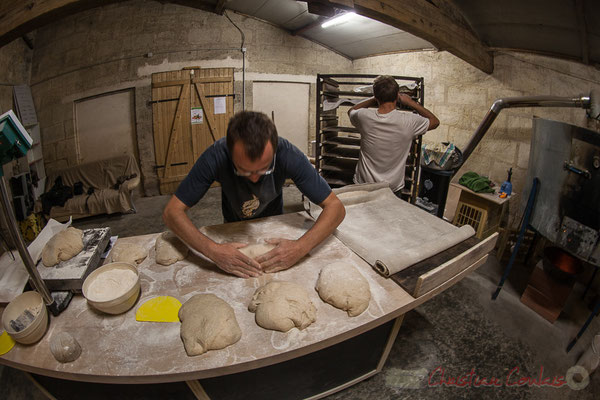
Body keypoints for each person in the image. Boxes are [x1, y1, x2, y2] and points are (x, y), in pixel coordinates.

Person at [163, 111, 345, 278]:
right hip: (233, 226)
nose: (255, 179)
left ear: (274, 150)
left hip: (273, 224)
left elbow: (335, 207)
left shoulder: (288, 154)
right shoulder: (216, 156)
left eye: (263, 169)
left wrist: (300, 247)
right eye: (245, 171)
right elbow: (172, 212)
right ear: (230, 151)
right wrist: (212, 250)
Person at [348, 75, 440, 198]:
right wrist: (411, 102)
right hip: (391, 188)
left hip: (364, 185)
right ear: (397, 95)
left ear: (376, 96)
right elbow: (435, 121)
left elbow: (351, 110)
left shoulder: (364, 117)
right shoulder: (410, 122)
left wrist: (373, 99)